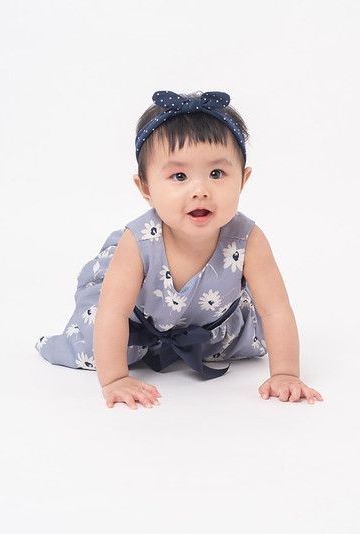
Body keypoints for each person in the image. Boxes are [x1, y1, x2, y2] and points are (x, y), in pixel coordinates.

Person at [35, 90, 324, 410]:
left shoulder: (248, 239)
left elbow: (275, 309)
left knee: (250, 340)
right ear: (145, 188)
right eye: (179, 176)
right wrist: (116, 379)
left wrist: (285, 373)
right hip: (134, 327)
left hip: (212, 327)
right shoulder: (139, 242)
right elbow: (113, 312)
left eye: (217, 174)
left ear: (243, 180)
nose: (200, 191)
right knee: (96, 343)